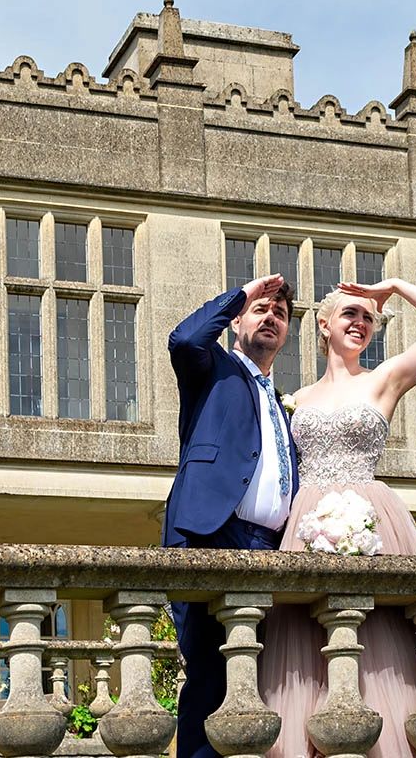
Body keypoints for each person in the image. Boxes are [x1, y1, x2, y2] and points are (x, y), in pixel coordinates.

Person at [258, 277, 416, 758]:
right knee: (306, 649)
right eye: (351, 313)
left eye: (369, 318)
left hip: (375, 521)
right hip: (307, 525)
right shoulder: (294, 399)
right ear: (323, 324)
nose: (361, 323)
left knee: (384, 645)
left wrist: (394, 286)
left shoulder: (384, 379)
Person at [163, 273, 299, 758]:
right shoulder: (212, 368)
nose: (271, 319)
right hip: (211, 535)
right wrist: (246, 292)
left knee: (258, 680)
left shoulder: (283, 405)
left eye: (280, 315)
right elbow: (184, 337)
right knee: (209, 676)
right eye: (261, 311)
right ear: (236, 321)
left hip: (270, 547)